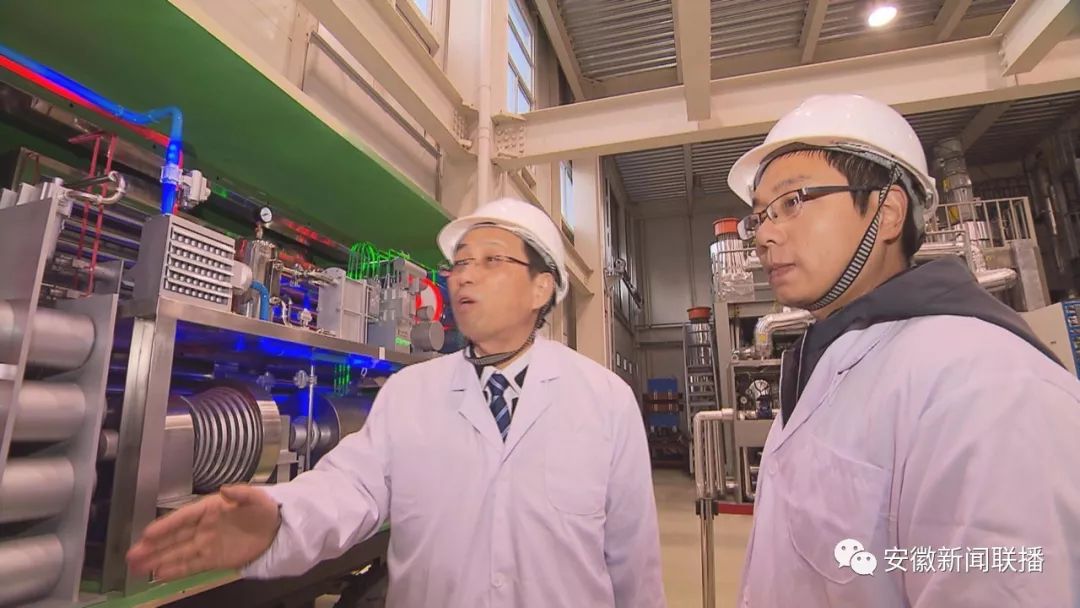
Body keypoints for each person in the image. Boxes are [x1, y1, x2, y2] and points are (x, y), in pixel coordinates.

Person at [126, 198, 666, 607]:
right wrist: (276, 521)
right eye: (459, 263)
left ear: (541, 288)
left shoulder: (604, 402)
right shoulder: (411, 393)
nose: (465, 275)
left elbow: (632, 562)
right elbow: (349, 488)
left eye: (491, 260)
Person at [725, 93, 1080, 607]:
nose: (764, 236)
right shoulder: (828, 366)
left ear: (887, 212)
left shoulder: (988, 385)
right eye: (759, 216)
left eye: (793, 201)